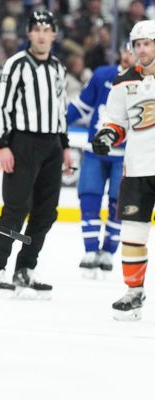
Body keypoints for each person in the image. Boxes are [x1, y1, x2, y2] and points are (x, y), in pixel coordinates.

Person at [0, 9, 73, 298]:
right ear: (29, 34)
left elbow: (60, 110)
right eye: (36, 28)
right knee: (15, 209)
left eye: (46, 29)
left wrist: (65, 146)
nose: (41, 34)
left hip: (51, 146)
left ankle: (25, 269)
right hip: (22, 142)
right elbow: (2, 107)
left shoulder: (58, 68)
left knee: (46, 212)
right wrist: (4, 144)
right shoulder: (16, 65)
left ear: (54, 34)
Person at [92, 19, 155, 321]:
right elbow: (115, 122)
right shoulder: (122, 82)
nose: (141, 49)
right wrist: (107, 135)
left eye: (147, 43)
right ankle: (134, 293)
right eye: (137, 44)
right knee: (133, 233)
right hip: (137, 169)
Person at [67, 46, 136, 276]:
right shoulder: (104, 75)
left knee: (119, 206)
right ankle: (90, 250)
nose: (128, 56)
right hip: (95, 151)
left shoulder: (147, 82)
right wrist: (57, 122)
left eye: (134, 52)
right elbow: (82, 105)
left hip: (127, 156)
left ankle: (108, 251)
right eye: (127, 51)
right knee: (89, 198)